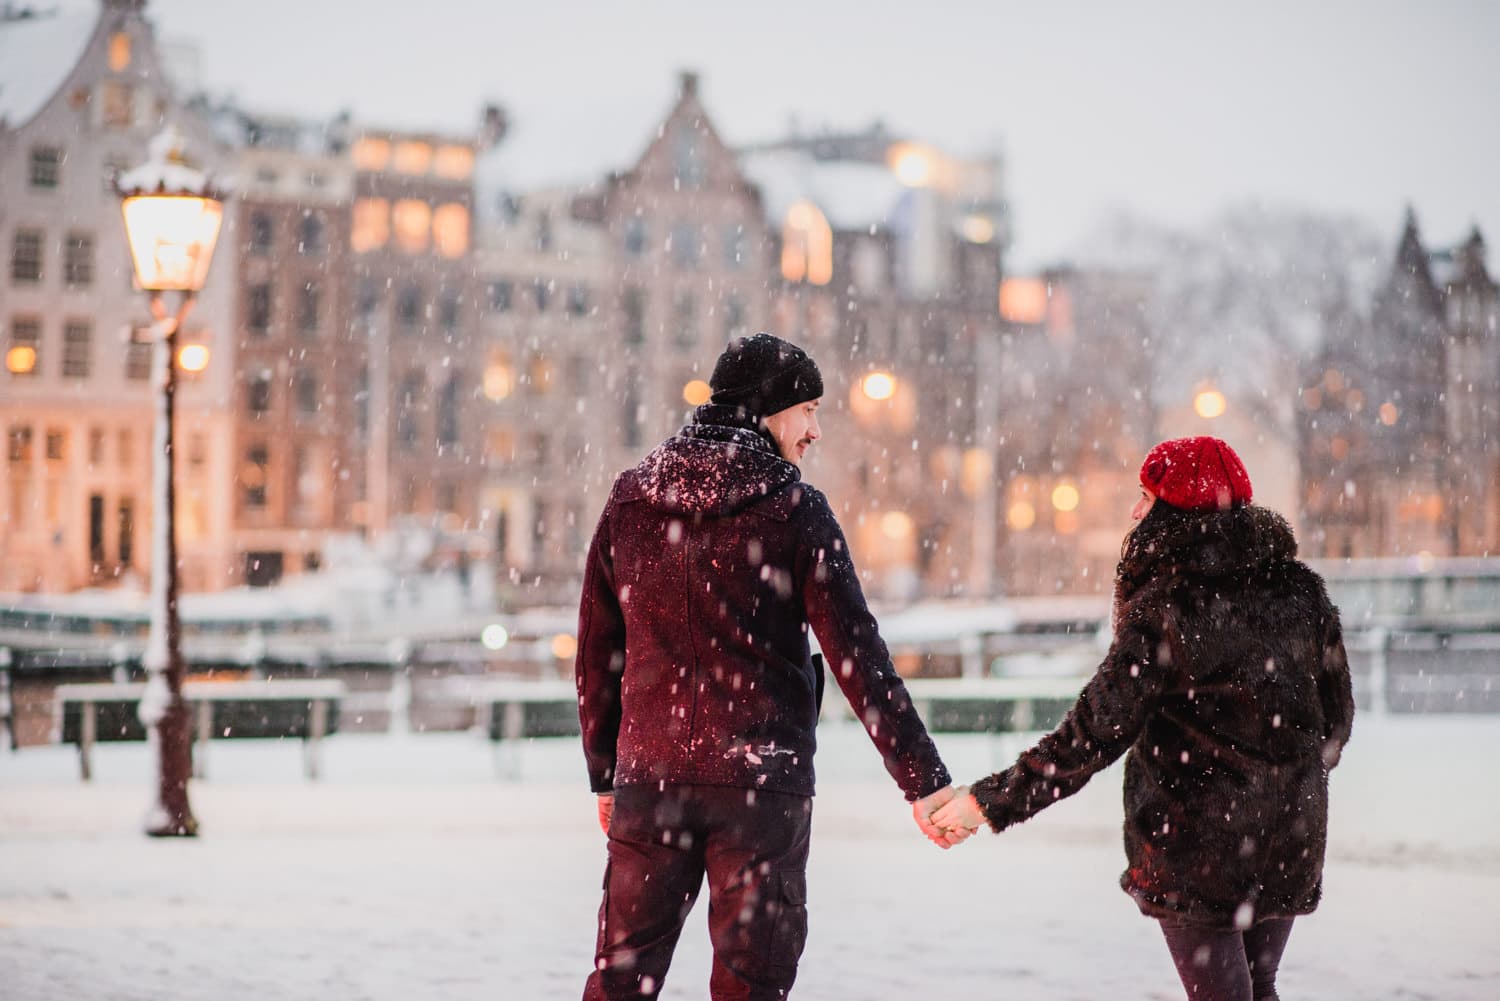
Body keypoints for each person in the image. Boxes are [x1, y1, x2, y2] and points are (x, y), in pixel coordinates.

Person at [576, 332, 962, 1001]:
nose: (815, 430)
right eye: (807, 409)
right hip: (760, 787)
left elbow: (597, 649)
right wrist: (923, 779)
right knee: (751, 985)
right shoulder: (794, 510)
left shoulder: (632, 500)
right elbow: (858, 657)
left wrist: (607, 772)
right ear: (766, 409)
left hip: (653, 776)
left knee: (619, 980)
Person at [933, 436, 1355, 1001]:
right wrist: (1281, 783)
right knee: (1261, 988)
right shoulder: (1303, 594)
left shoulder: (1167, 605)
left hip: (1195, 848)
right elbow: (1337, 717)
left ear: (1175, 509)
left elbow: (1094, 733)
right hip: (1287, 839)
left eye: (1145, 495)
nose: (1135, 510)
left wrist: (990, 801)